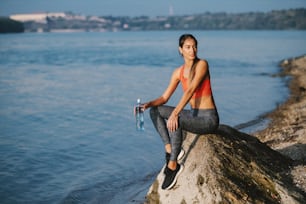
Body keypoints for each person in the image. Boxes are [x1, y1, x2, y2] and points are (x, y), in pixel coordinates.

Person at [142, 34, 219, 190]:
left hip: (208, 119)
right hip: (193, 115)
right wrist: (148, 104)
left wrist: (175, 113)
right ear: (180, 50)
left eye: (194, 46)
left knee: (174, 118)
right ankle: (170, 150)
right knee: (155, 111)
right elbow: (164, 97)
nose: (192, 50)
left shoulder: (202, 64)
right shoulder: (178, 72)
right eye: (188, 47)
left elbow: (190, 90)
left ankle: (173, 166)